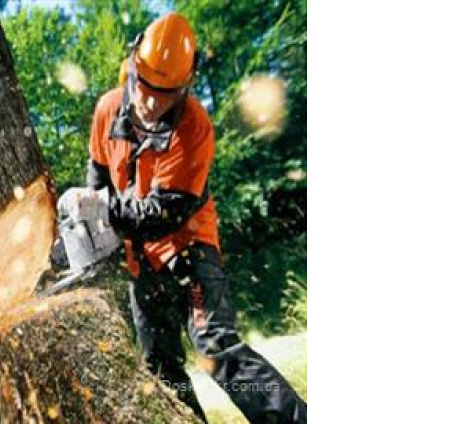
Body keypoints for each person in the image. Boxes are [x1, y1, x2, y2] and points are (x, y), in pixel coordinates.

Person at [78, 12, 307, 424]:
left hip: (190, 252)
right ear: (133, 69)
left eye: (164, 93)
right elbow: (97, 178)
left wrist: (108, 213)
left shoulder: (194, 127)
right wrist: (89, 219)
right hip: (141, 263)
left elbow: (164, 214)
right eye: (145, 86)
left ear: (183, 86)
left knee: (215, 351)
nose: (150, 101)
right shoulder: (107, 110)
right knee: (162, 371)